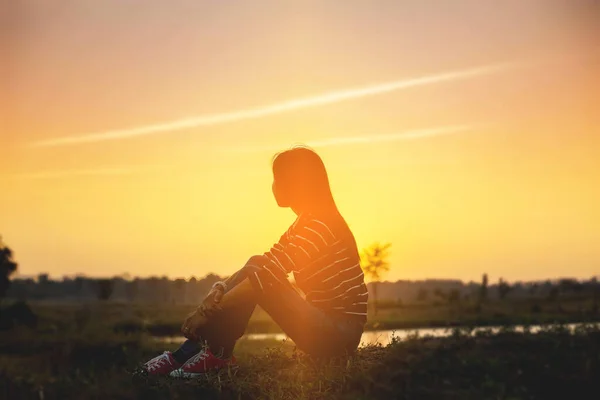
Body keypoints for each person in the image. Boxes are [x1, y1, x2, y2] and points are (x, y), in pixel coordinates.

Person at [141, 146, 368, 378]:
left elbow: (265, 276)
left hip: (338, 337)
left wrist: (207, 311)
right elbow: (263, 263)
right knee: (257, 263)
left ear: (298, 183)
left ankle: (211, 355)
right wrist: (217, 290)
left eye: (279, 179)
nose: (273, 186)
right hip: (324, 328)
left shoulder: (320, 224)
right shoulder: (305, 222)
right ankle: (200, 355)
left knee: (261, 274)